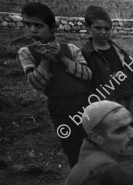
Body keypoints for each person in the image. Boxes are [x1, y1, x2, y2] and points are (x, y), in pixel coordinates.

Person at [17, 2, 92, 167]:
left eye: (38, 25)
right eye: (28, 25)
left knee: (93, 143)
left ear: (52, 28)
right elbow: (37, 83)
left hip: (85, 103)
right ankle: (80, 183)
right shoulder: (26, 53)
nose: (32, 30)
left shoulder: (70, 48)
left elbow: (87, 75)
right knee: (72, 148)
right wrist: (44, 59)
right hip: (59, 109)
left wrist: (62, 58)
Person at [81, 6, 133, 126]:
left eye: (107, 28)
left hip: (128, 96)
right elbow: (86, 82)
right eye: (98, 28)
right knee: (115, 128)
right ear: (88, 27)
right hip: (107, 101)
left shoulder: (118, 50)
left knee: (132, 125)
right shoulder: (86, 54)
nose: (103, 32)